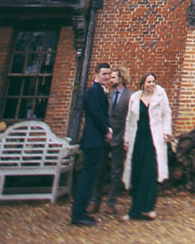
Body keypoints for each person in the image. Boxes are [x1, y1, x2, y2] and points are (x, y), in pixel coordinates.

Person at [122, 72, 172, 221]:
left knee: (150, 172)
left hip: (153, 140)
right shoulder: (135, 98)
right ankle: (135, 208)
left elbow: (166, 114)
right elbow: (129, 120)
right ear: (142, 84)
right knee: (137, 172)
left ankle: (149, 207)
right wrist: (126, 140)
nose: (151, 85)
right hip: (138, 139)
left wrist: (165, 132)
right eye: (148, 82)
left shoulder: (160, 95)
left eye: (153, 82)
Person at [71, 62, 112, 227]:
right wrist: (106, 131)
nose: (107, 77)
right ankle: (78, 214)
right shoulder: (93, 92)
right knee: (87, 177)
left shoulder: (99, 91)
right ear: (96, 74)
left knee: (90, 176)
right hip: (93, 139)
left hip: (96, 139)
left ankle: (81, 212)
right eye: (104, 74)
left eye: (109, 74)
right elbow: (96, 116)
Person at [90, 66, 131, 214]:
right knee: (99, 170)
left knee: (115, 171)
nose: (110, 80)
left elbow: (130, 119)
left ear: (121, 79)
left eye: (113, 77)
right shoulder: (107, 94)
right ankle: (95, 202)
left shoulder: (129, 96)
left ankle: (111, 203)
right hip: (105, 136)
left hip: (120, 137)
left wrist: (126, 138)